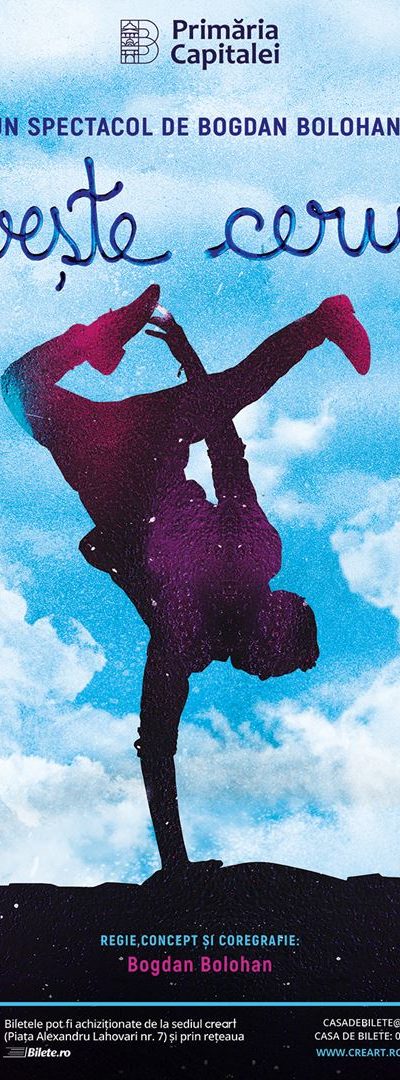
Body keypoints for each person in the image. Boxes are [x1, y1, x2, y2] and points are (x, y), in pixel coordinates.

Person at [1, 287, 370, 876]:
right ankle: (322, 319)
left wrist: (176, 866)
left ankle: (102, 340)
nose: (264, 674)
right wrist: (189, 355)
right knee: (222, 392)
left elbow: (156, 747)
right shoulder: (244, 570)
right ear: (274, 623)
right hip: (137, 455)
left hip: (116, 461)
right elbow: (227, 453)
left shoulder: (186, 638)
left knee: (19, 387)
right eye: (278, 661)